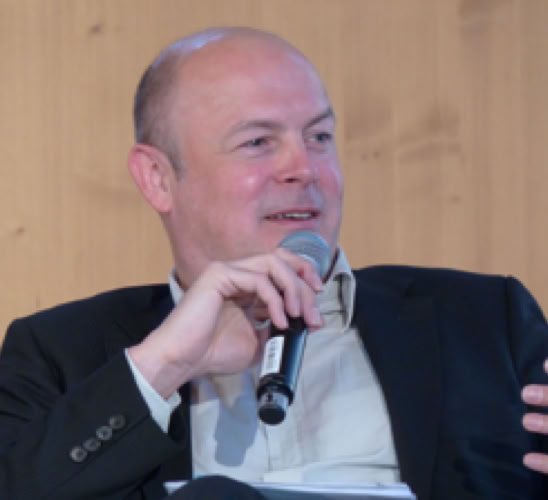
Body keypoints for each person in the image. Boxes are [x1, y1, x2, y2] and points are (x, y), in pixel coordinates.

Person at [0, 26, 547, 500]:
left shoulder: (485, 322)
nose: (303, 168)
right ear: (158, 178)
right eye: (258, 141)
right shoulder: (59, 354)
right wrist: (165, 365)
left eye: (319, 137)